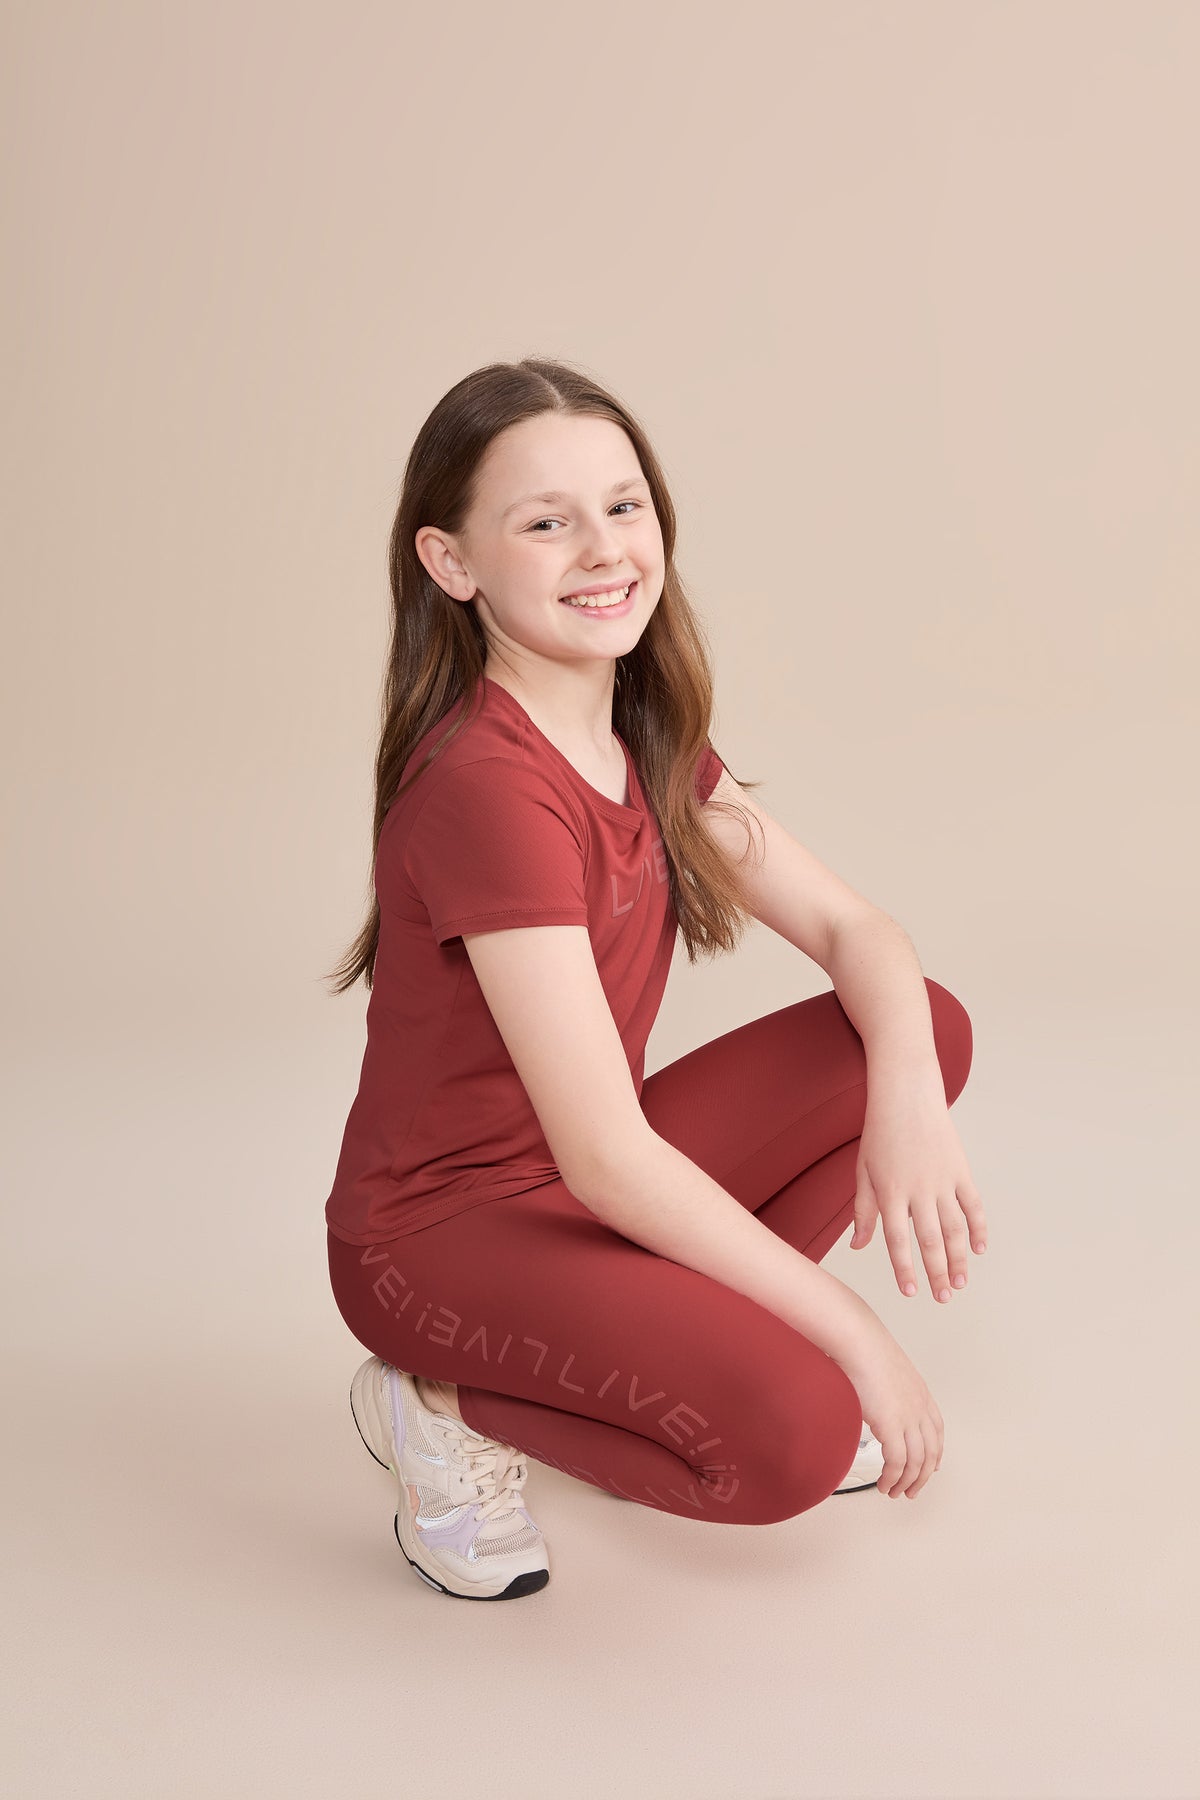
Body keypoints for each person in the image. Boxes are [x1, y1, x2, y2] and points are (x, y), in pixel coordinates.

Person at [321, 357, 988, 1602]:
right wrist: (855, 1333)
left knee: (918, 1030)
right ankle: (441, 1403)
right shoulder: (488, 787)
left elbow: (859, 933)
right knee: (792, 1437)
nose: (603, 550)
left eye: (623, 506)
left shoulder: (642, 731)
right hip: (439, 1241)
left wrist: (907, 1103)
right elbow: (609, 1161)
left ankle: (645, 1366)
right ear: (452, 564)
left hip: (584, 1181)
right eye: (545, 523)